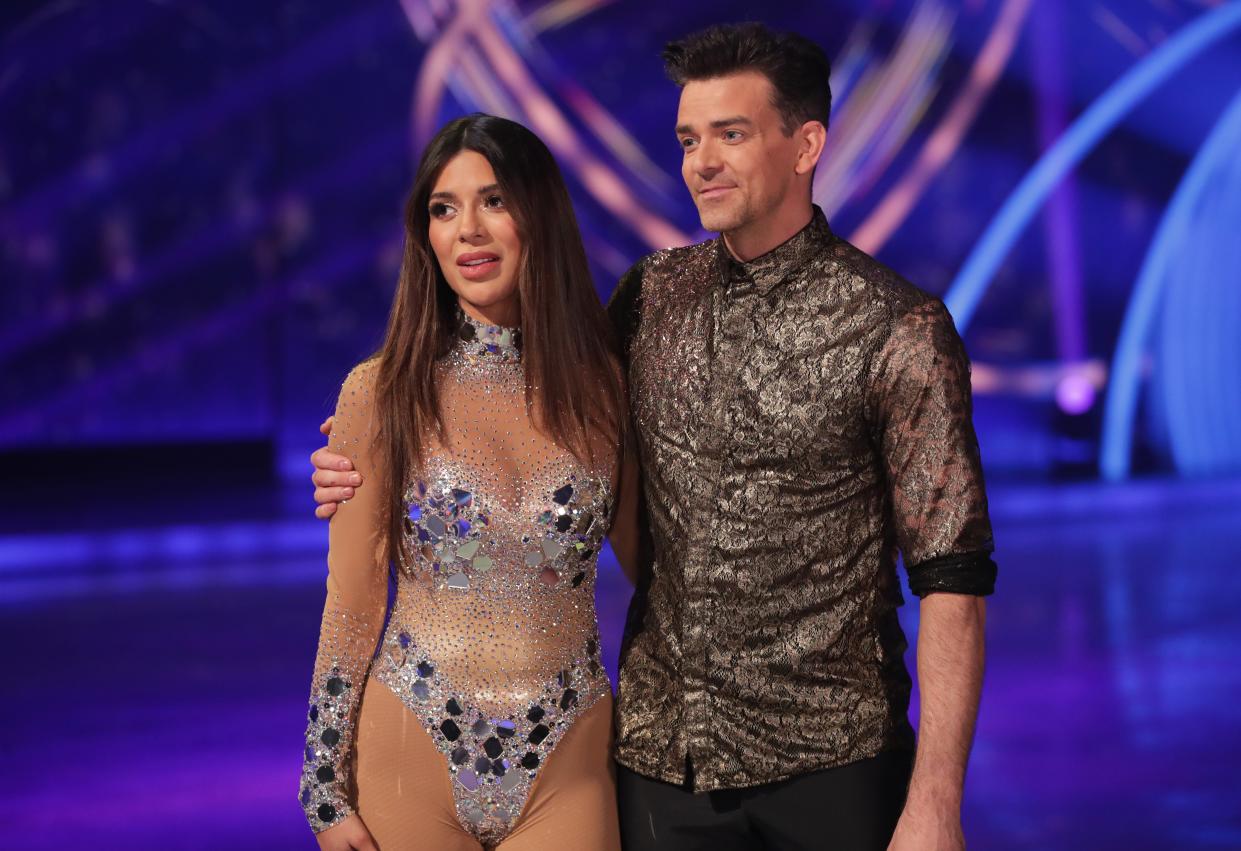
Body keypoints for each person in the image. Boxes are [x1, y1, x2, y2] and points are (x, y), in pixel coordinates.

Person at [313, 23, 997, 851]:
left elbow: (953, 581)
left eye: (731, 134)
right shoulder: (649, 300)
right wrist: (359, 454)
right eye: (687, 139)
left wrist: (935, 801)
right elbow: (536, 413)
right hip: (659, 764)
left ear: (807, 143)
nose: (701, 160)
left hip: (832, 759)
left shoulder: (898, 328)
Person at [299, 112, 639, 851]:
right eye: (443, 209)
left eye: (493, 201)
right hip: (408, 749)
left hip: (568, 758)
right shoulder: (381, 390)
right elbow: (352, 598)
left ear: (538, 214)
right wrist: (322, 785)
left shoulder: (607, 389)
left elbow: (655, 570)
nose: (467, 230)